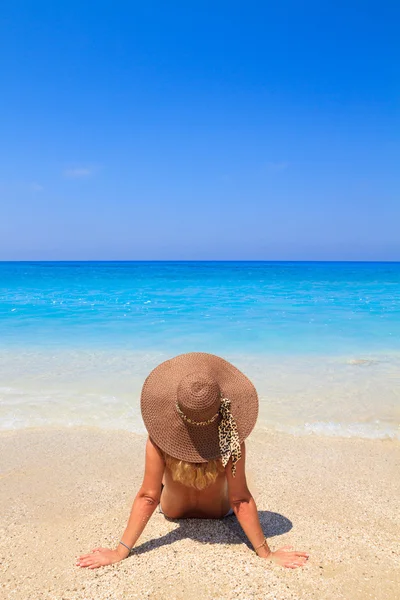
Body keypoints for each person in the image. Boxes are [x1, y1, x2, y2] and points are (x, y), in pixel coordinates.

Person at [77, 352, 309, 570]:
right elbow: (240, 500)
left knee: (158, 487)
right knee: (237, 488)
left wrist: (120, 551)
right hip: (218, 512)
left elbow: (148, 497)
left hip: (172, 510)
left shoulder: (159, 438)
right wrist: (266, 553)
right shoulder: (231, 438)